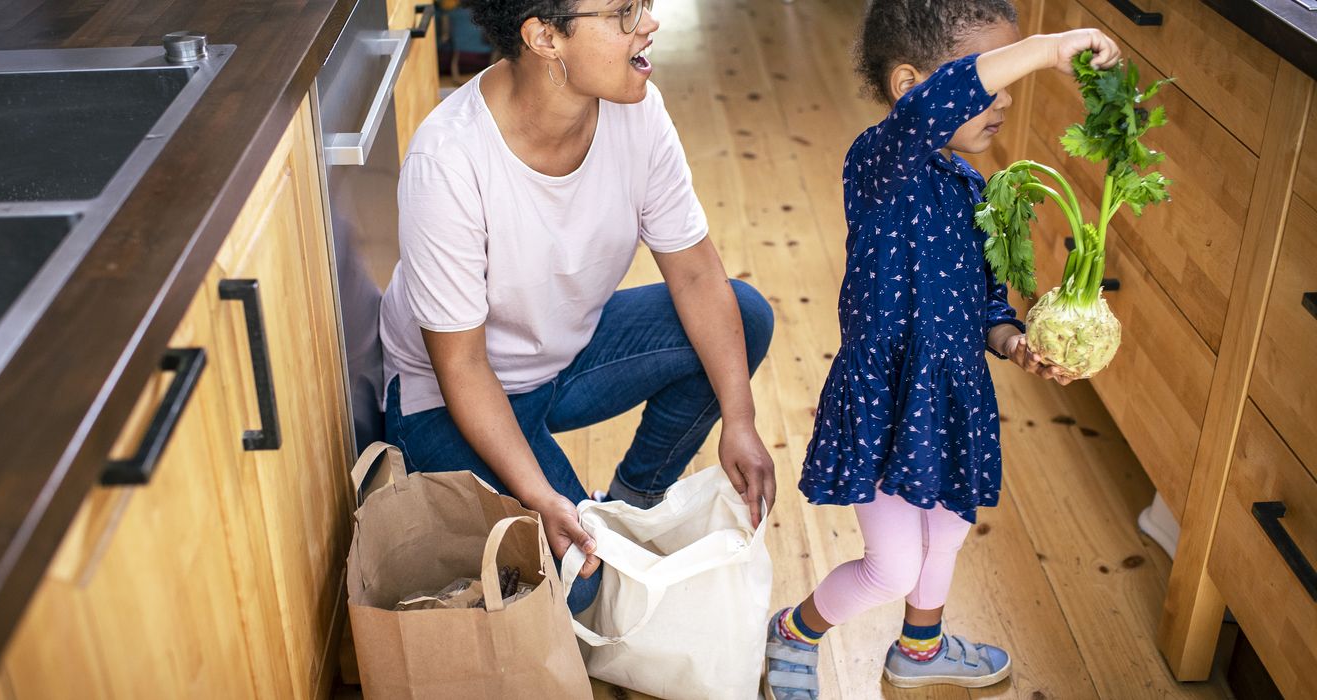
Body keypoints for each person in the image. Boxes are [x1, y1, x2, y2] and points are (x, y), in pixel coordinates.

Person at [762, 2, 1117, 695]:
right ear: (909, 88)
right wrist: (1047, 48)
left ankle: (919, 651)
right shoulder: (881, 161)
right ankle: (793, 633)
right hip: (892, 394)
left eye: (1004, 83)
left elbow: (986, 302)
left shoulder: (971, 185)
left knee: (949, 532)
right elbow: (937, 106)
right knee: (890, 567)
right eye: (987, 84)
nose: (1002, 100)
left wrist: (1015, 342)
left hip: (953, 395)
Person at [379, 0, 777, 615]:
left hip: (564, 358)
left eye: (644, 4)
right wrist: (541, 498)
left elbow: (697, 273)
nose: (650, 23)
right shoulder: (449, 160)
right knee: (584, 582)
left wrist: (740, 419)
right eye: (623, 13)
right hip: (450, 399)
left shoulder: (637, 113)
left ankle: (632, 503)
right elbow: (462, 366)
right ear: (545, 38)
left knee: (743, 317)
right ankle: (579, 517)